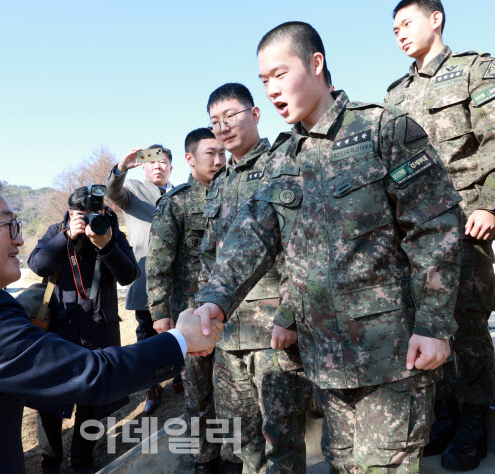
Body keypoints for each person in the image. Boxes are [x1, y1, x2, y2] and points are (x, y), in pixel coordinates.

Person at [194, 22, 463, 472]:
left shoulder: (383, 129)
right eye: (264, 81)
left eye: (280, 74)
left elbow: (434, 227)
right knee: (342, 464)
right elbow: (253, 234)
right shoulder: (282, 161)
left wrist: (435, 323)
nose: (273, 90)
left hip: (392, 358)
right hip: (324, 362)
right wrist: (214, 300)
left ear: (316, 63)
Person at [0, 175, 222, 474]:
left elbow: (128, 272)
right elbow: (93, 375)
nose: (18, 237)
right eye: (7, 225)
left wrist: (105, 244)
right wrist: (181, 339)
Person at [385, 1, 495, 469]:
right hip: (416, 233)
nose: (400, 35)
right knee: (429, 323)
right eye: (393, 29)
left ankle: (476, 420)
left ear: (436, 18)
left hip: (466, 222)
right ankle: (445, 414)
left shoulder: (475, 70)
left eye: (406, 23)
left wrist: (491, 201)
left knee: (467, 325)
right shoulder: (394, 96)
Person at [199, 83, 314, 474]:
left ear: (255, 113)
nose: (223, 127)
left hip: (273, 332)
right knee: (242, 438)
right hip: (228, 336)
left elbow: (304, 244)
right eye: (215, 122)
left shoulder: (284, 162)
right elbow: (209, 259)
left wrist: (291, 314)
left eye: (231, 115)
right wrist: (203, 316)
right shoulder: (218, 184)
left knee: (282, 438)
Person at [27, 186, 140, 474]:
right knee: (50, 401)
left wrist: (106, 244)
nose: (89, 219)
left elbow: (129, 275)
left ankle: (82, 461)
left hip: (100, 328)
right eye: (81, 215)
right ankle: (50, 463)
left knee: (94, 401)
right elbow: (37, 265)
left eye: (94, 213)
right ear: (69, 212)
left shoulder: (109, 230)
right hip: (58, 327)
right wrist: (66, 236)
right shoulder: (57, 229)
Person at [146, 128, 226, 473]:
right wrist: (161, 313)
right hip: (191, 318)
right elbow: (158, 261)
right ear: (190, 159)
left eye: (223, 152)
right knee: (198, 395)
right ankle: (204, 460)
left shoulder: (237, 193)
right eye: (211, 153)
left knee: (236, 393)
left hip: (232, 315)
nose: (219, 160)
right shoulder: (176, 202)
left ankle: (236, 457)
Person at [106, 144, 174, 413]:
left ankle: (182, 376)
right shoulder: (133, 190)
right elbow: (113, 191)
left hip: (180, 277)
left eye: (163, 161)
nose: (158, 165)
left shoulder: (181, 192)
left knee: (182, 325)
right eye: (152, 161)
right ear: (144, 166)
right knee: (146, 332)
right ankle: (153, 387)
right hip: (146, 276)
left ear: (171, 166)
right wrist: (121, 168)